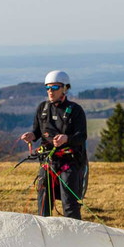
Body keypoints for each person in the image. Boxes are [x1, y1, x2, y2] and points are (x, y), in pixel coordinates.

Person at [21, 70, 88, 219]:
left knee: (69, 203)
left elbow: (81, 136)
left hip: (69, 162)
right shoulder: (42, 108)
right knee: (43, 201)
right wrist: (31, 136)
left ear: (65, 88)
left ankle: (73, 230)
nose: (50, 91)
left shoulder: (76, 110)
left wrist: (66, 138)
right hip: (48, 161)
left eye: (55, 87)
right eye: (48, 88)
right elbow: (37, 131)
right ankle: (43, 230)